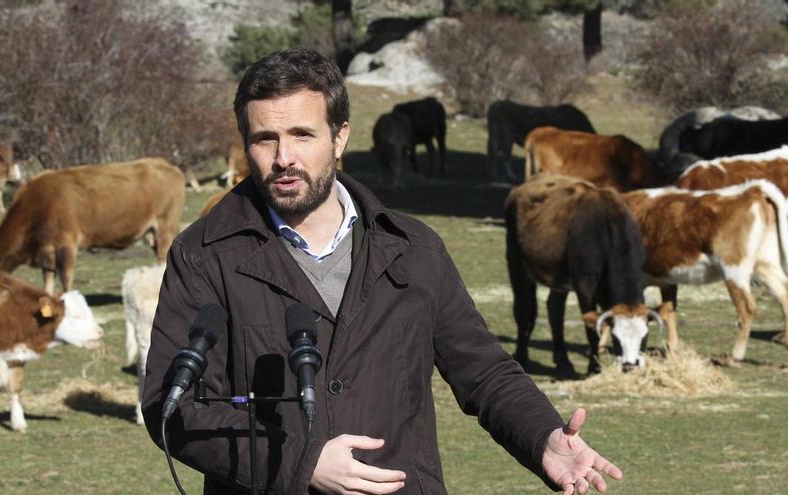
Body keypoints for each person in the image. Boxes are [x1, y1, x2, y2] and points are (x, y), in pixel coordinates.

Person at [143, 47, 622, 495]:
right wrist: (300, 460)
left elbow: (485, 371)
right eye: (265, 139)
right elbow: (173, 405)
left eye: (302, 135)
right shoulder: (204, 254)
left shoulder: (413, 248)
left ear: (340, 137)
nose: (283, 158)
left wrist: (542, 437)